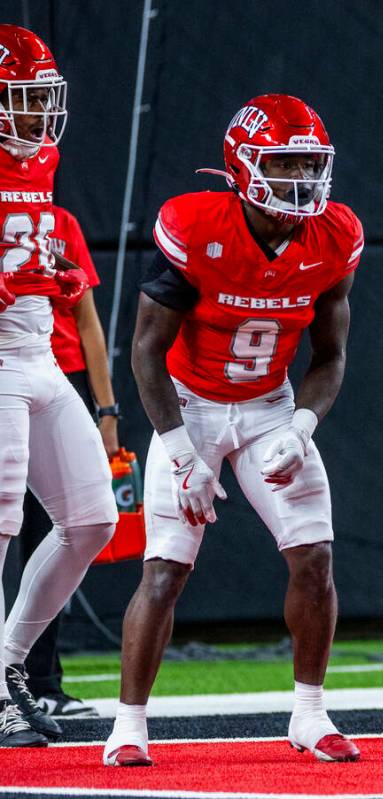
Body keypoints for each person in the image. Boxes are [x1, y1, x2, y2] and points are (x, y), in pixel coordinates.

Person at [102, 94, 364, 766]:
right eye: (284, 164)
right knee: (165, 567)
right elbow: (144, 351)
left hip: (269, 404)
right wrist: (182, 451)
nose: (301, 180)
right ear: (243, 166)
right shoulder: (195, 225)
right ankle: (128, 725)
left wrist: (301, 425)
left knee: (315, 556)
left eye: (310, 164)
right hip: (187, 405)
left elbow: (330, 357)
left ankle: (309, 714)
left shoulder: (333, 235)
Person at [0, 24, 117, 748]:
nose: (39, 112)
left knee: (93, 520)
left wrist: (57, 277)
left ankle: (9, 663)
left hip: (41, 353)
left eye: (44, 97)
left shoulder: (42, 154)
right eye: (23, 97)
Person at [19, 204, 122, 720]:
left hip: (59, 379)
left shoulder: (58, 222)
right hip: (8, 373)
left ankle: (38, 679)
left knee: (74, 525)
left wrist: (106, 410)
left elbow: (88, 321)